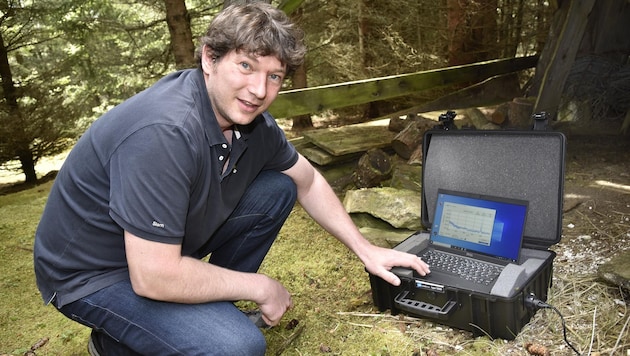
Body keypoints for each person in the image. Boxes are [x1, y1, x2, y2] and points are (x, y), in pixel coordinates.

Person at [33, 3, 430, 355]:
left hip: (158, 249)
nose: (259, 90)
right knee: (236, 346)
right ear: (209, 58)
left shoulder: (253, 124)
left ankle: (198, 309)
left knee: (278, 189)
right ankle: (117, 343)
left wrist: (367, 250)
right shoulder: (163, 132)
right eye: (246, 65)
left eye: (274, 76)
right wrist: (258, 286)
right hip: (93, 274)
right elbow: (153, 275)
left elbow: (307, 181)